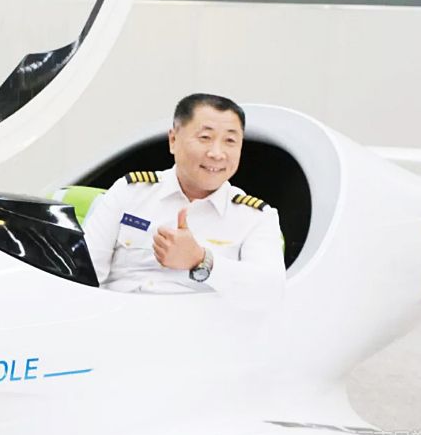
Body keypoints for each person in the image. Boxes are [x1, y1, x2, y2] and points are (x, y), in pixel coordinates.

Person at [83, 93, 285, 301]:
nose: (217, 153)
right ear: (173, 140)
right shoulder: (130, 192)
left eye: (230, 141)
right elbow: (84, 275)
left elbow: (269, 293)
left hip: (198, 322)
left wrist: (200, 260)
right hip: (117, 315)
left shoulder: (256, 217)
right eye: (205, 138)